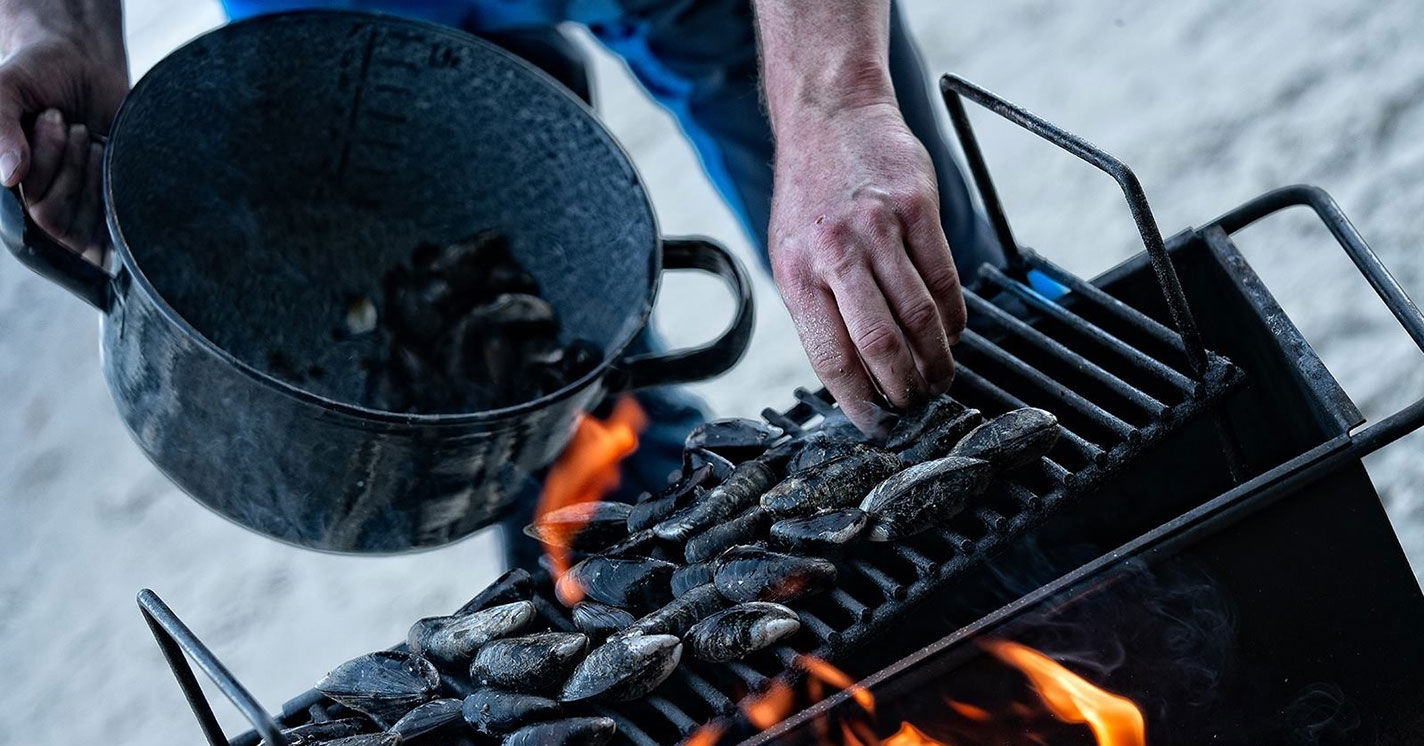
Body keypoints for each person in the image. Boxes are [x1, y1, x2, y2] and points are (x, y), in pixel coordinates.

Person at [0, 0, 1003, 563]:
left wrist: (836, 100)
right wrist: (59, 29)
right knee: (542, 427)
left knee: (925, 311)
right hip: (358, 25)